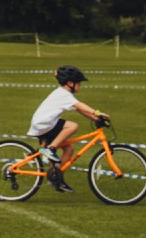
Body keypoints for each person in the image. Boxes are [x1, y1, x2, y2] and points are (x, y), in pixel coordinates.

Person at [27, 65, 109, 194]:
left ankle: (56, 177)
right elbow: (80, 105)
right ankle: (50, 149)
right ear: (70, 83)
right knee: (72, 126)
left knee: (69, 149)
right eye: (79, 83)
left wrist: (96, 119)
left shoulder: (64, 94)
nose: (80, 86)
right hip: (45, 124)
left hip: (46, 124)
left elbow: (79, 109)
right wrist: (97, 112)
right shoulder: (63, 94)